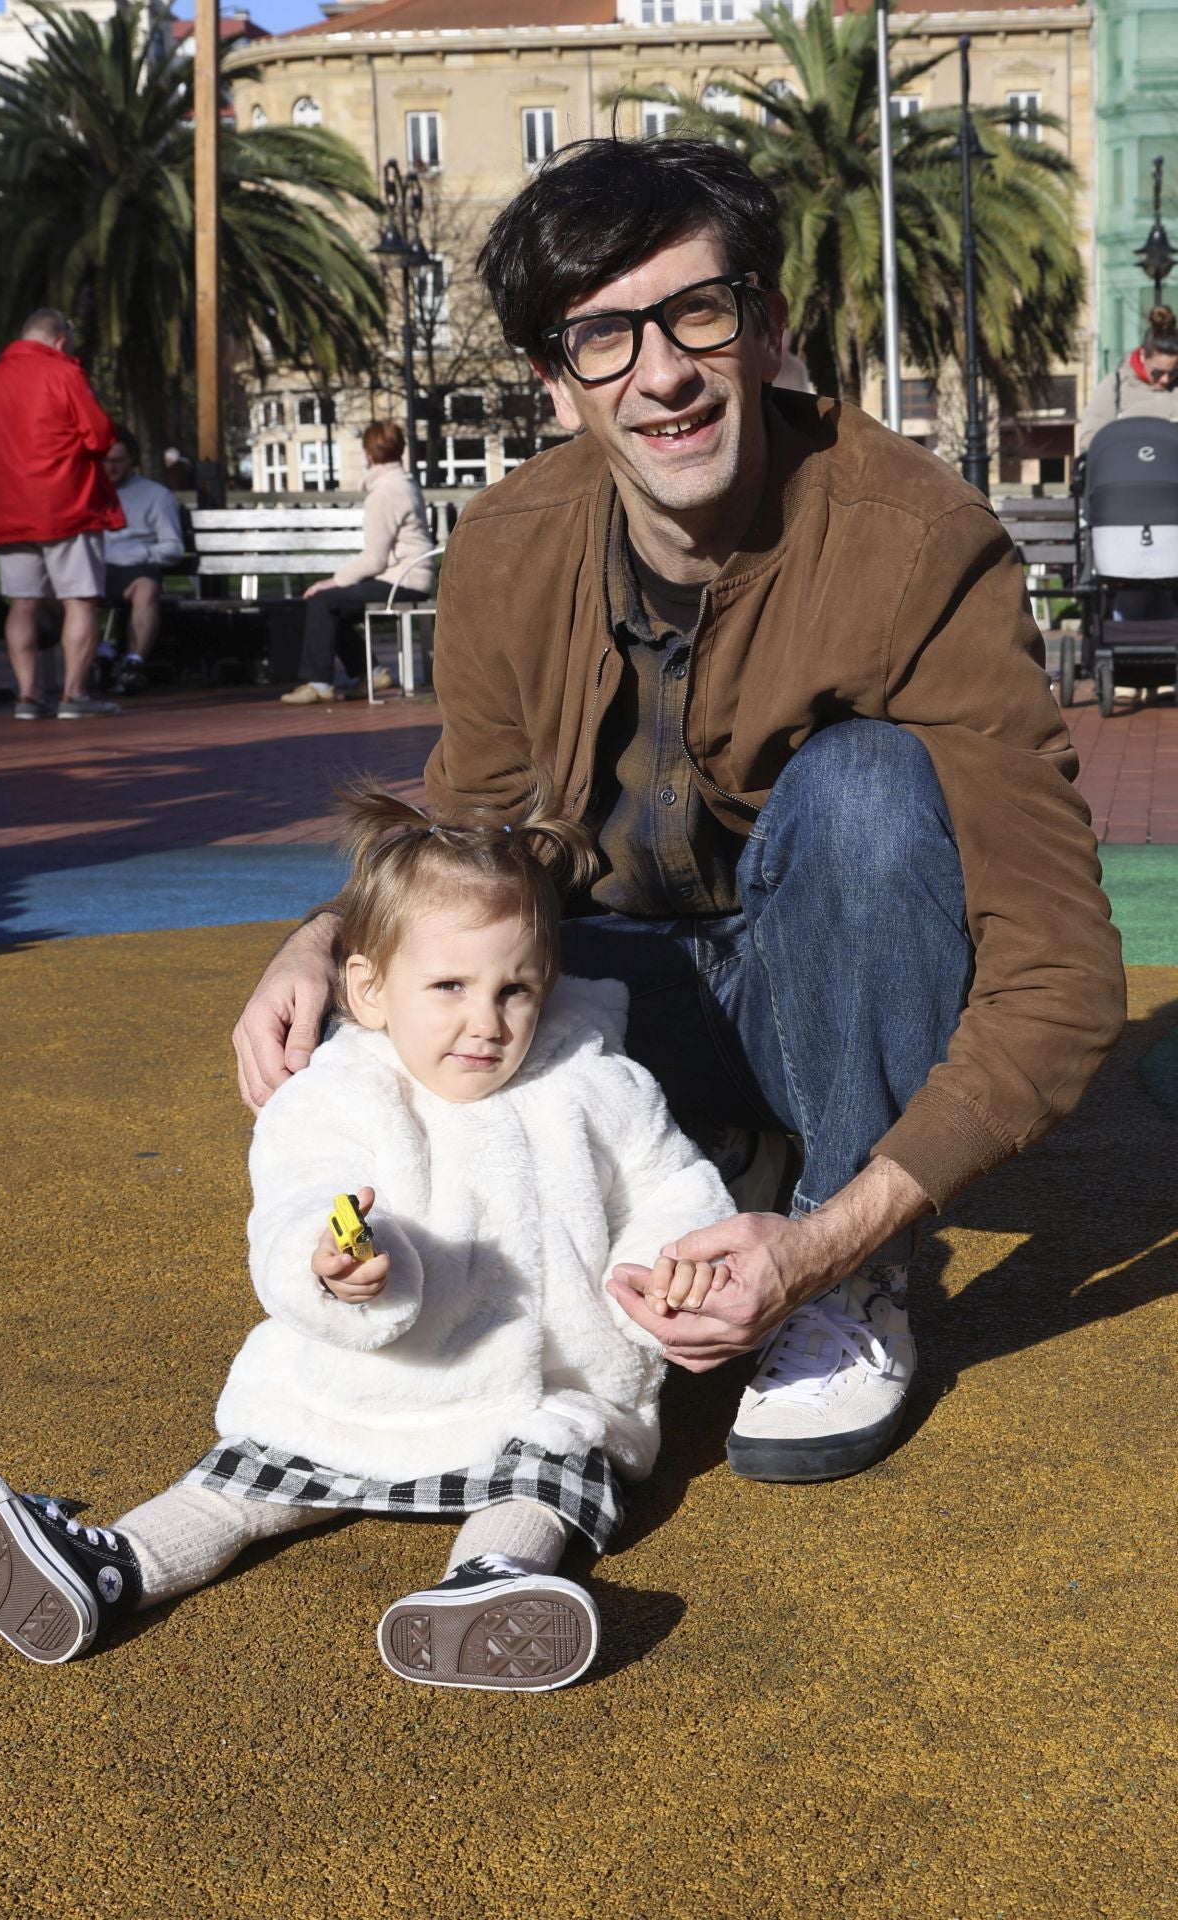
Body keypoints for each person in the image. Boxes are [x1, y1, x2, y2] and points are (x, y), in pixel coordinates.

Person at [233, 137, 1125, 1487]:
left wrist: (838, 1239)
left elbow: (1061, 973)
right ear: (554, 379)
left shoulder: (916, 545)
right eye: (603, 336)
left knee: (870, 791)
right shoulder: (509, 547)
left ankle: (840, 1261)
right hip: (619, 1015)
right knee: (409, 983)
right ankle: (630, 1187)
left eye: (696, 313)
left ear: (764, 329)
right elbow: (476, 840)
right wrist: (327, 931)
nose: (661, 373)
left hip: (829, 987)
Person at [0, 785, 734, 1685]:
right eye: (450, 987)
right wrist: (330, 1267)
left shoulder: (594, 1078)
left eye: (517, 989)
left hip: (540, 1385)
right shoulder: (340, 1091)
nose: (487, 1021)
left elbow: (673, 1182)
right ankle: (111, 1565)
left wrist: (665, 1264)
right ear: (370, 989)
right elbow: (298, 1198)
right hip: (365, 1381)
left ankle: (488, 1583)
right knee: (244, 1476)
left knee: (551, 1469)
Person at [0, 308, 124, 720]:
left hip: (6, 507)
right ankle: (74, 696)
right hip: (65, 503)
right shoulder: (64, 374)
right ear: (61, 340)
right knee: (80, 601)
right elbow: (101, 436)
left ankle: (27, 696)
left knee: (22, 602)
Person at [281, 420, 435, 706]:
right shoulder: (403, 482)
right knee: (332, 605)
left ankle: (319, 683)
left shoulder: (385, 492)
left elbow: (374, 559)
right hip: (410, 576)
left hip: (403, 580)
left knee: (322, 601)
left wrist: (332, 580)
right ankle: (371, 672)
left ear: (368, 455)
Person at [98, 429, 186, 693]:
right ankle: (98, 653)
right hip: (95, 567)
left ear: (133, 460)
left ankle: (133, 663)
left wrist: (142, 553)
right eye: (104, 461)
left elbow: (173, 547)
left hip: (136, 567)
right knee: (53, 592)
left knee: (146, 588)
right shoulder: (86, 493)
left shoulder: (156, 496)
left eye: (118, 461)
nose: (110, 468)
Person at [1079, 304, 1178, 448]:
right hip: (1127, 467)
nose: (1166, 379)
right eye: (1158, 373)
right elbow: (1090, 441)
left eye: (1174, 372)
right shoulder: (1115, 386)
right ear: (1143, 356)